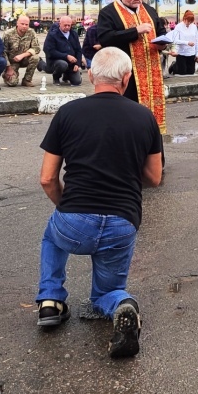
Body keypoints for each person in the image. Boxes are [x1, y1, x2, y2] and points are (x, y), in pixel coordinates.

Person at [35, 47, 163, 358]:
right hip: (122, 222)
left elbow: (47, 179)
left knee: (53, 234)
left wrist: (67, 208)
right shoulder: (144, 116)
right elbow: (154, 177)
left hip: (73, 221)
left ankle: (50, 301)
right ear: (126, 78)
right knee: (106, 291)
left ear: (91, 76)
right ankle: (121, 304)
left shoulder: (67, 113)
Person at [95, 0, 169, 133]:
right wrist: (135, 31)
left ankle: (150, 136)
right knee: (127, 113)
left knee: (149, 118)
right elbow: (106, 38)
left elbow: (161, 31)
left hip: (151, 72)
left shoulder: (149, 10)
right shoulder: (108, 13)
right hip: (124, 73)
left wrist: (162, 43)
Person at [43, 15, 84, 86]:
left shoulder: (74, 34)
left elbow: (78, 50)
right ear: (60, 24)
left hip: (71, 62)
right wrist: (66, 56)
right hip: (56, 61)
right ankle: (56, 77)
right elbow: (49, 51)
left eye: (69, 25)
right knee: (62, 64)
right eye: (65, 25)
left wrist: (78, 64)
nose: (67, 27)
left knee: (77, 82)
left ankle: (66, 76)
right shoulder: (53, 35)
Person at [3, 14, 42, 87]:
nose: (24, 26)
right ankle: (6, 74)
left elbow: (36, 48)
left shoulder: (31, 32)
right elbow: (3, 52)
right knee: (13, 83)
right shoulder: (8, 34)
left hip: (25, 59)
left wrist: (22, 55)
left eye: (26, 24)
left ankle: (27, 80)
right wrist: (8, 68)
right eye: (22, 24)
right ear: (17, 23)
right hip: (12, 62)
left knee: (36, 58)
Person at [169, 10, 198, 76]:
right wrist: (187, 43)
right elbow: (175, 40)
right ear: (184, 18)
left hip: (191, 53)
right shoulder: (178, 27)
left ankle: (180, 65)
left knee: (191, 72)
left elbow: (197, 41)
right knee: (181, 72)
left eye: (190, 22)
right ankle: (174, 66)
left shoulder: (194, 27)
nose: (189, 23)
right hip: (181, 53)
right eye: (187, 21)